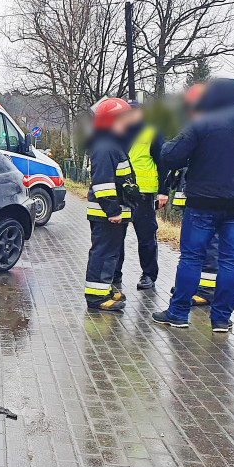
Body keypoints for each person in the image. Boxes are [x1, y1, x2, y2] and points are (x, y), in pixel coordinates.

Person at [153, 78, 234, 331]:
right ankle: (221, 318)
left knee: (191, 258)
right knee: (233, 261)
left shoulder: (202, 123)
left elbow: (170, 157)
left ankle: (178, 314)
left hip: (203, 203)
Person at [165, 83, 219, 307]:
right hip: (198, 198)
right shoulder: (205, 127)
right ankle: (193, 286)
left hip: (208, 200)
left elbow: (171, 154)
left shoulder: (209, 128)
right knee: (195, 247)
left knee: (208, 246)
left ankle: (206, 290)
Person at [84, 97, 138, 312]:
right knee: (103, 254)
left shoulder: (110, 144)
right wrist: (113, 210)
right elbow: (103, 184)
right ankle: (96, 298)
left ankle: (103, 289)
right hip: (107, 214)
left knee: (110, 254)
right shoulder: (106, 147)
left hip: (113, 213)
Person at [124, 100, 168, 290]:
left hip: (143, 193)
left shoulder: (152, 132)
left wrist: (163, 191)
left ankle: (149, 274)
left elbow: (163, 162)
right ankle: (114, 273)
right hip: (121, 193)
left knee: (146, 236)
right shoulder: (119, 132)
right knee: (115, 237)